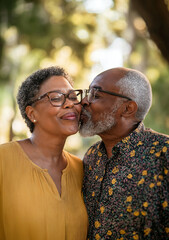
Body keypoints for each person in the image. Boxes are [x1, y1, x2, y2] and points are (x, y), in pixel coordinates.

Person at [79, 67, 169, 240]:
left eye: (95, 95)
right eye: (87, 93)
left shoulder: (164, 154)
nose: (84, 101)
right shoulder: (91, 157)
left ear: (128, 108)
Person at [0, 66, 88, 240]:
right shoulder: (3, 160)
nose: (70, 103)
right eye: (56, 98)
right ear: (32, 114)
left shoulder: (82, 169)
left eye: (72, 96)